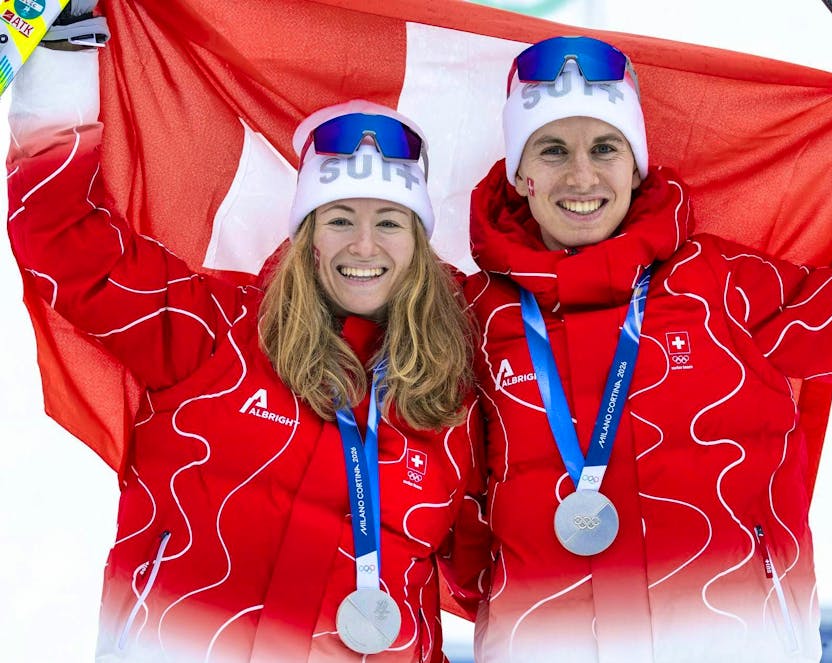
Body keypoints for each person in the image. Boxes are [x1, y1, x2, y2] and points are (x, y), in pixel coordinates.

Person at [461, 16, 832, 663]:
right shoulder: (474, 322)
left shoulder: (721, 288)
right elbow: (428, 508)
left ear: (636, 164)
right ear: (520, 175)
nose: (581, 175)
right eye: (551, 149)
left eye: (604, 147)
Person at [5, 4, 485, 661]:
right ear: (305, 232)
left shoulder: (457, 398)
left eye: (392, 222)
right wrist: (61, 51)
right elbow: (64, 240)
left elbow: (506, 561)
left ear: (422, 243)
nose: (364, 245)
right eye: (338, 217)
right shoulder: (213, 330)